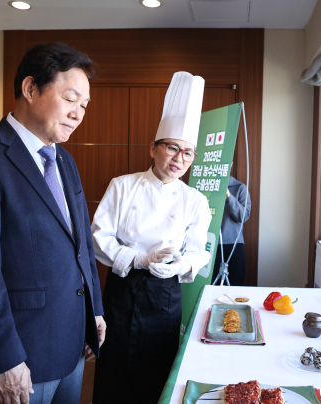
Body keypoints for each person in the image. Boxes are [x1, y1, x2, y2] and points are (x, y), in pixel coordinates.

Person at [0, 43, 105, 404]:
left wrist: (94, 307)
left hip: (73, 339)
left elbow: (82, 245)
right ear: (31, 89)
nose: (78, 114)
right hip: (23, 351)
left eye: (84, 105)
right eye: (70, 99)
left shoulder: (64, 161)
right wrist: (5, 359)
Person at [91, 71, 211, 404]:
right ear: (153, 148)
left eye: (188, 153)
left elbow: (200, 252)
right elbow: (98, 237)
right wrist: (139, 259)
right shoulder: (123, 185)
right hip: (122, 289)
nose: (179, 159)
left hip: (164, 295)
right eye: (173, 148)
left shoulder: (195, 201)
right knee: (114, 365)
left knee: (157, 370)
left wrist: (179, 266)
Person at [211, 175, 251, 286]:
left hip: (233, 244)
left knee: (235, 285)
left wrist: (229, 196)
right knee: (208, 287)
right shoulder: (204, 186)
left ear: (231, 163)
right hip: (209, 244)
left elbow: (243, 217)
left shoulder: (240, 188)